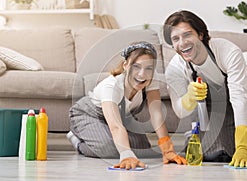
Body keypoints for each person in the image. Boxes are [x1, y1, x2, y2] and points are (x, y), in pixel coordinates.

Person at [163, 10, 247, 167]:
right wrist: (189, 97)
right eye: (175, 39)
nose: (182, 43)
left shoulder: (227, 52)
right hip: (207, 113)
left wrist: (243, 147)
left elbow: (240, 98)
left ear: (201, 35)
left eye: (187, 35)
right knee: (213, 155)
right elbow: (180, 111)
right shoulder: (175, 68)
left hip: (236, 109)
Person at [67, 41, 186, 170]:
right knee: (109, 149)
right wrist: (126, 155)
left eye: (148, 68)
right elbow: (116, 127)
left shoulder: (151, 78)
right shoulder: (111, 87)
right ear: (126, 65)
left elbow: (156, 113)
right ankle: (76, 140)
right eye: (136, 66)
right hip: (90, 114)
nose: (142, 74)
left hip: (123, 116)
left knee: (143, 148)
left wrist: (167, 149)